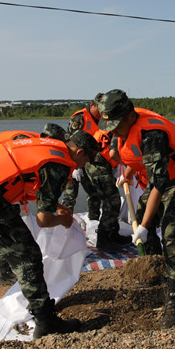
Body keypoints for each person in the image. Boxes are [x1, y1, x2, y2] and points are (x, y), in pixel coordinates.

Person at [0, 127, 100, 339]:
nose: (83, 166)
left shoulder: (48, 146)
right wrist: (64, 220)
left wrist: (56, 206)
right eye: (86, 160)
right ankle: (46, 319)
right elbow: (43, 221)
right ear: (80, 152)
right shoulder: (59, 165)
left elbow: (25, 178)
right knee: (28, 257)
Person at [97, 89, 175, 329]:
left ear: (130, 116)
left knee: (171, 231)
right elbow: (134, 154)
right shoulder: (124, 127)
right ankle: (155, 268)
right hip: (161, 178)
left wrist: (142, 227)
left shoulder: (152, 134)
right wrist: (128, 175)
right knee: (144, 212)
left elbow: (159, 184)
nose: (112, 129)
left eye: (115, 124)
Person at [0, 124, 65, 286]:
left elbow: (29, 185)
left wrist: (53, 205)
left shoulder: (34, 143)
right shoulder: (29, 145)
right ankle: (6, 272)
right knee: (5, 227)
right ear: (52, 140)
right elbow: (18, 180)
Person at [62, 94, 131, 251]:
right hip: (96, 162)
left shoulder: (112, 121)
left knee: (111, 200)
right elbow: (113, 152)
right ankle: (105, 239)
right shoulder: (116, 124)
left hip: (99, 160)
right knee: (111, 200)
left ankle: (112, 234)